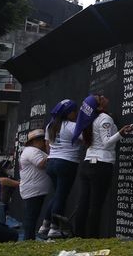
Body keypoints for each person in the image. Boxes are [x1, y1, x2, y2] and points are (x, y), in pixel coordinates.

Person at [73, 94, 133, 238]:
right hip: (101, 165)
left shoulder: (89, 120)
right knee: (96, 205)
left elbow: (85, 139)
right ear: (99, 106)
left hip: (88, 163)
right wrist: (120, 133)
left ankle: (78, 236)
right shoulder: (105, 118)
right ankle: (93, 239)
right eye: (101, 98)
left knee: (83, 203)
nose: (104, 97)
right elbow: (106, 142)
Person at [38, 99, 81, 239]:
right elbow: (86, 138)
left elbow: (47, 145)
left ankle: (45, 224)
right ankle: (54, 228)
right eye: (75, 111)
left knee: (57, 195)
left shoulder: (51, 125)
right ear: (68, 113)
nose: (77, 113)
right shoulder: (72, 126)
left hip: (52, 162)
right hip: (67, 162)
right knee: (61, 196)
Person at [19, 129, 51, 241]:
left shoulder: (31, 150)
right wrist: (53, 154)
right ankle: (29, 240)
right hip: (34, 190)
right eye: (42, 140)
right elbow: (41, 164)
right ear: (35, 141)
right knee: (31, 217)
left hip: (34, 189)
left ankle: (29, 239)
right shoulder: (32, 151)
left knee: (32, 216)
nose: (44, 142)